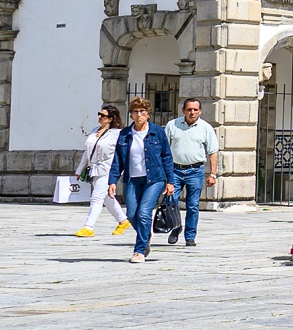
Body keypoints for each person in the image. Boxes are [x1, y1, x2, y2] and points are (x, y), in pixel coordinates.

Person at [106, 97, 175, 263]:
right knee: (131, 214)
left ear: (148, 114)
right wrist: (112, 180)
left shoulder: (157, 132)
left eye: (142, 111)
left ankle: (139, 251)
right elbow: (118, 159)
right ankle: (146, 234)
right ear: (131, 115)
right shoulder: (125, 134)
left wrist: (170, 181)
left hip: (154, 179)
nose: (139, 115)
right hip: (132, 179)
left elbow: (167, 156)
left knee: (144, 212)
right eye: (135, 112)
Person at [165, 98, 219, 247]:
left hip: (195, 170)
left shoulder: (206, 128)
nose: (192, 112)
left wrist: (212, 173)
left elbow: (213, 151)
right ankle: (176, 228)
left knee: (193, 205)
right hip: (174, 170)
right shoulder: (172, 125)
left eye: (195, 110)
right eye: (189, 109)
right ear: (183, 111)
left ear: (200, 111)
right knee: (171, 201)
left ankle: (190, 236)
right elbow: (164, 149)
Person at [74, 105, 125, 238]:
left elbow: (122, 154)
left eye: (103, 115)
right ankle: (123, 221)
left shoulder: (117, 133)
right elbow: (88, 152)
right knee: (107, 198)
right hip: (94, 169)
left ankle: (88, 226)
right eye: (99, 114)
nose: (100, 117)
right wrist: (80, 170)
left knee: (97, 197)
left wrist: (120, 170)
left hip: (108, 169)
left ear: (110, 119)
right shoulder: (94, 131)